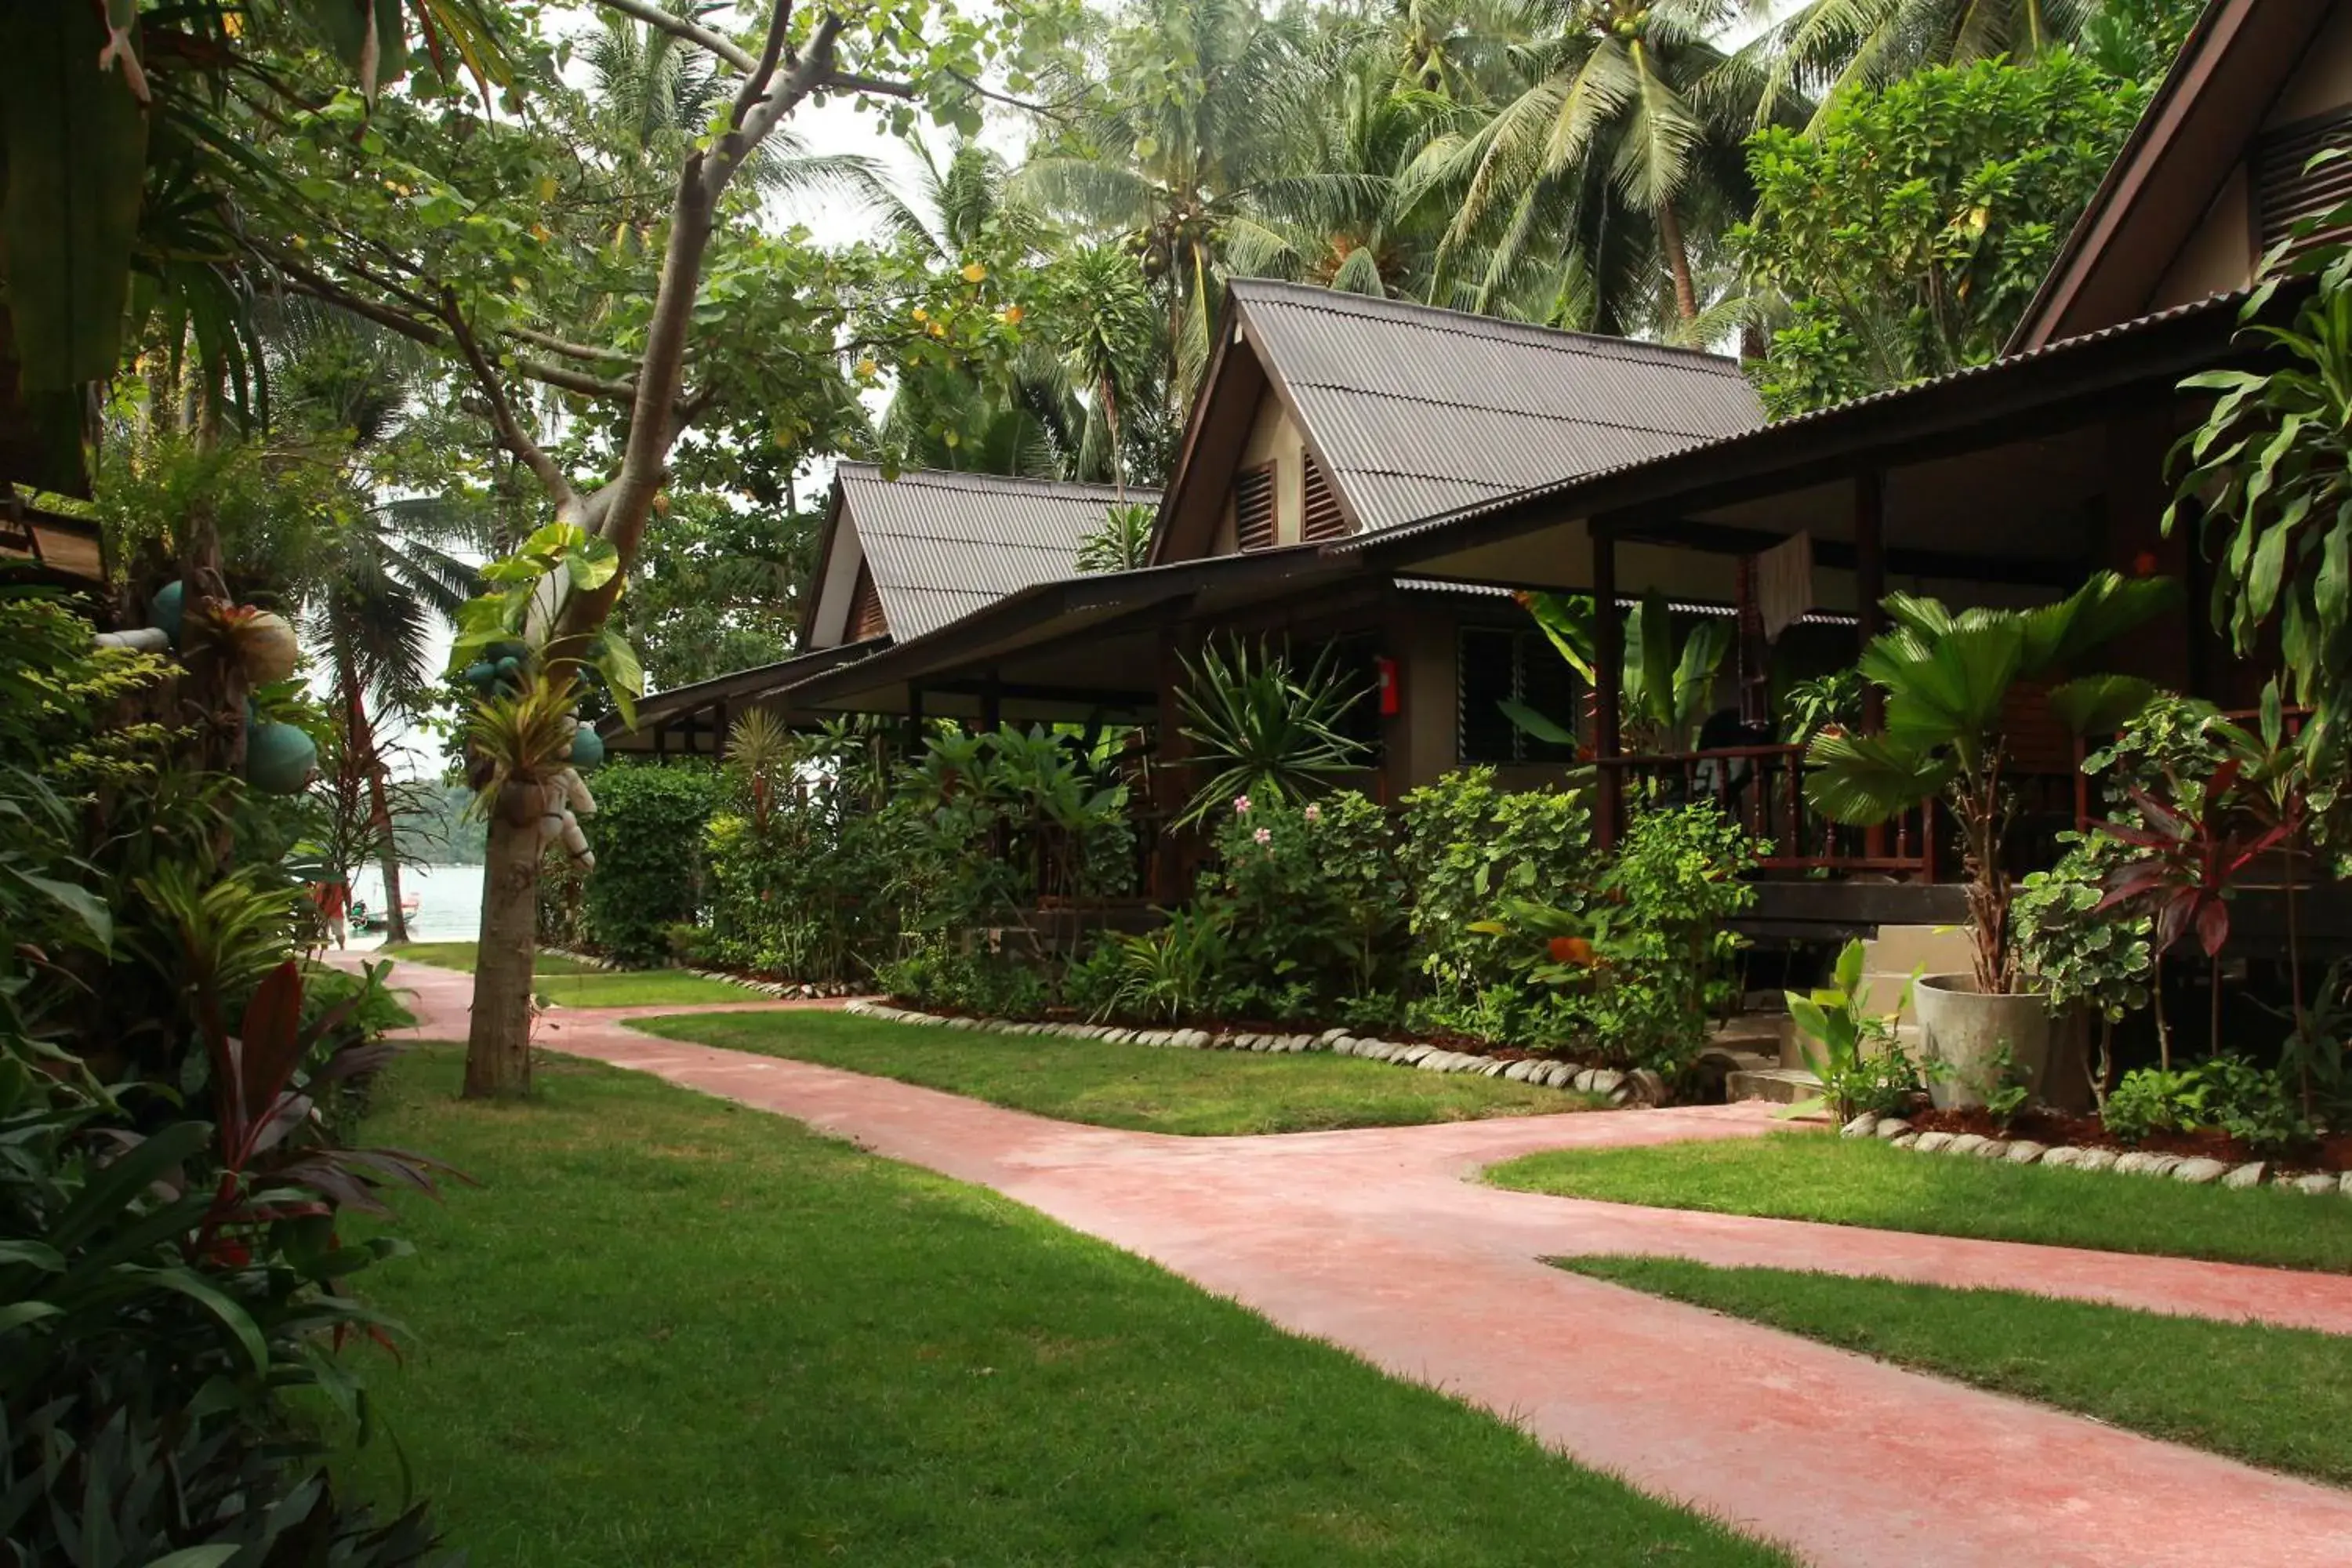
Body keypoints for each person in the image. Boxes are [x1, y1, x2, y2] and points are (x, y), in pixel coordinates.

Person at [316, 877, 350, 949]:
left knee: (339, 932)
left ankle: (342, 948)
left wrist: (348, 908)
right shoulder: (320, 878)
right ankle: (325, 950)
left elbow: (347, 895)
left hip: (335, 910)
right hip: (322, 910)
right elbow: (316, 893)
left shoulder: (340, 879)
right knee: (323, 932)